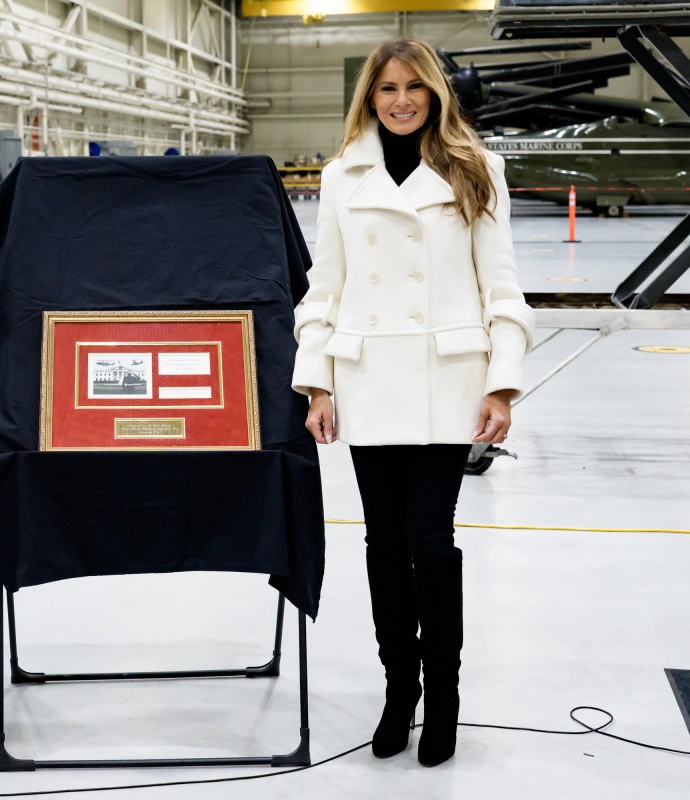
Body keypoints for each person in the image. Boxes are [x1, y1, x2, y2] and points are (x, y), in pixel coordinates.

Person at [291, 38, 534, 767]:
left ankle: (444, 699)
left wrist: (501, 383)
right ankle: (400, 690)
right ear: (370, 96)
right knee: (383, 545)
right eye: (388, 88)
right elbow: (325, 290)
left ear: (436, 93)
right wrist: (318, 382)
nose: (402, 101)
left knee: (430, 542)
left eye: (415, 87)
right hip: (367, 381)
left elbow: (501, 287)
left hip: (445, 382)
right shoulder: (342, 175)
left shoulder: (476, 167)